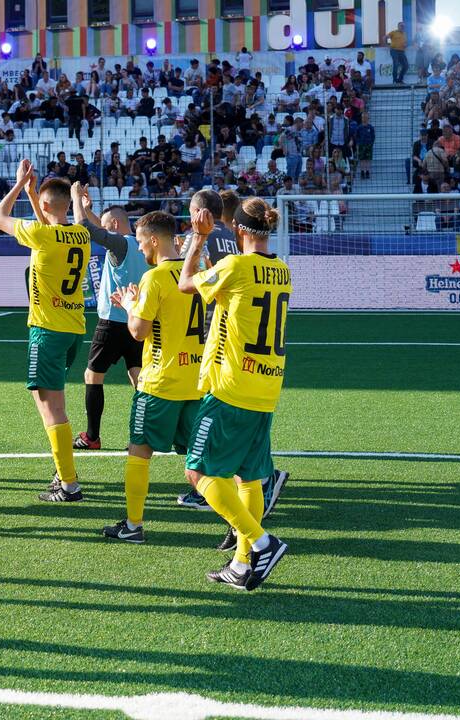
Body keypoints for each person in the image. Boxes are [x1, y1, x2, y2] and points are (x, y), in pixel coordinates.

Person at [177, 198, 291, 591]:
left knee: (198, 472)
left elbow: (185, 283)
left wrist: (198, 239)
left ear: (239, 230)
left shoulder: (235, 266)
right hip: (267, 385)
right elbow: (231, 293)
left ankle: (261, 543)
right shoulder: (281, 270)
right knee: (250, 476)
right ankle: (242, 563)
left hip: (232, 385)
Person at [98, 210, 204, 543]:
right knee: (198, 462)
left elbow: (139, 332)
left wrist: (130, 305)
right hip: (195, 380)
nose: (140, 248)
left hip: (160, 383)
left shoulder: (154, 278)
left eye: (142, 242)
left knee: (139, 450)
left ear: (154, 240)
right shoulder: (195, 273)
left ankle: (132, 525)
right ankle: (240, 519)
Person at [0, 160, 91, 502]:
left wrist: (19, 186)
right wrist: (36, 196)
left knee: (52, 408)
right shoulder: (80, 234)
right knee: (45, 399)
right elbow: (57, 224)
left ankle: (68, 483)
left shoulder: (42, 235)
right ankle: (64, 469)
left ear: (46, 207)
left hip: (47, 330)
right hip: (73, 329)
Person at [70, 192, 149, 451]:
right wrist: (90, 209)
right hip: (137, 319)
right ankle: (141, 436)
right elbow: (102, 228)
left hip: (112, 322)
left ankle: (92, 436)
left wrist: (75, 197)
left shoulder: (119, 245)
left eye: (106, 226)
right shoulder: (142, 245)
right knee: (138, 377)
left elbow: (87, 228)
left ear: (114, 226)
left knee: (93, 376)